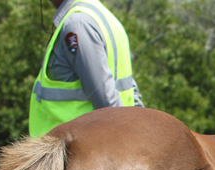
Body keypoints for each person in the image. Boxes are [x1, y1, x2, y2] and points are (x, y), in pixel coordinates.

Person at [29, 0, 143, 138]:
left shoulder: (77, 23)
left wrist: (132, 140)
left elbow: (107, 103)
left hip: (75, 150)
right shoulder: (101, 15)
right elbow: (132, 92)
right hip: (87, 147)